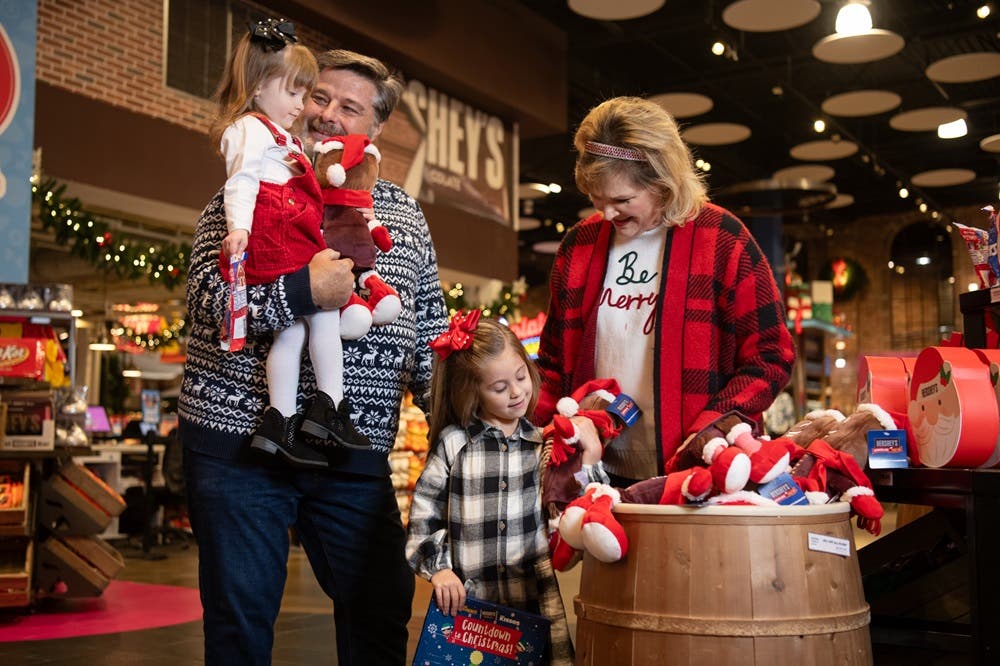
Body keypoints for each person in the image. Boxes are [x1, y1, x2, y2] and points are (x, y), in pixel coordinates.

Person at [179, 45, 449, 665]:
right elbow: (205, 303)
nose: (326, 114)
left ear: (376, 128)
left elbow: (428, 330)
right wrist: (303, 291)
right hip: (240, 446)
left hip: (350, 452)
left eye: (349, 107)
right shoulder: (245, 189)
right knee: (240, 621)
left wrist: (461, 430)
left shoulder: (404, 217)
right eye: (318, 97)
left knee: (380, 607)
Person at [533, 96, 796, 488]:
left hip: (701, 474)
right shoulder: (579, 246)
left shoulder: (721, 238)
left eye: (622, 200)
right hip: (594, 477)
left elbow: (771, 355)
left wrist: (715, 427)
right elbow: (554, 364)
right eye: (597, 200)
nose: (607, 214)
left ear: (663, 181)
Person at [211, 19, 368, 460]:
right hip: (276, 237)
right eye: (296, 93)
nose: (302, 105)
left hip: (288, 234)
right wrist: (238, 227)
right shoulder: (249, 129)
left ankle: (279, 419)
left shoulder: (280, 137)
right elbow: (240, 182)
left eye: (304, 93)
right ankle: (328, 407)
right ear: (258, 87)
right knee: (322, 316)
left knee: (294, 332)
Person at [405, 312, 574, 665]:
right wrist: (440, 568)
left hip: (530, 603)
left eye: (521, 377)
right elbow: (424, 513)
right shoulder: (455, 445)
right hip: (470, 607)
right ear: (472, 393)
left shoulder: (541, 444)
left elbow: (571, 502)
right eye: (499, 388)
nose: (516, 393)